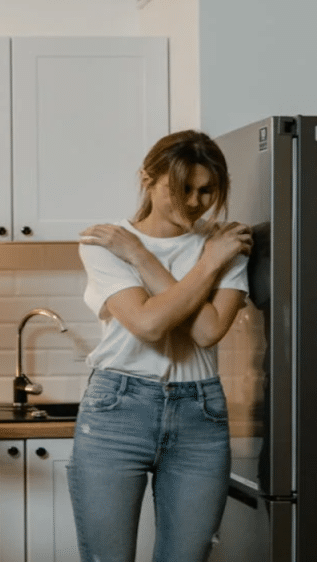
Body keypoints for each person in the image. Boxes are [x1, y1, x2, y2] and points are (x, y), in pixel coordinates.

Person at [69, 129, 253, 562]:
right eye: (181, 188)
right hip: (117, 411)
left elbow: (208, 331)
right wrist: (204, 266)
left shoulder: (227, 246)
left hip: (200, 416)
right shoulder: (105, 243)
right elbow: (149, 324)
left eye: (206, 190)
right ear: (147, 179)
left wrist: (145, 258)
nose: (193, 201)